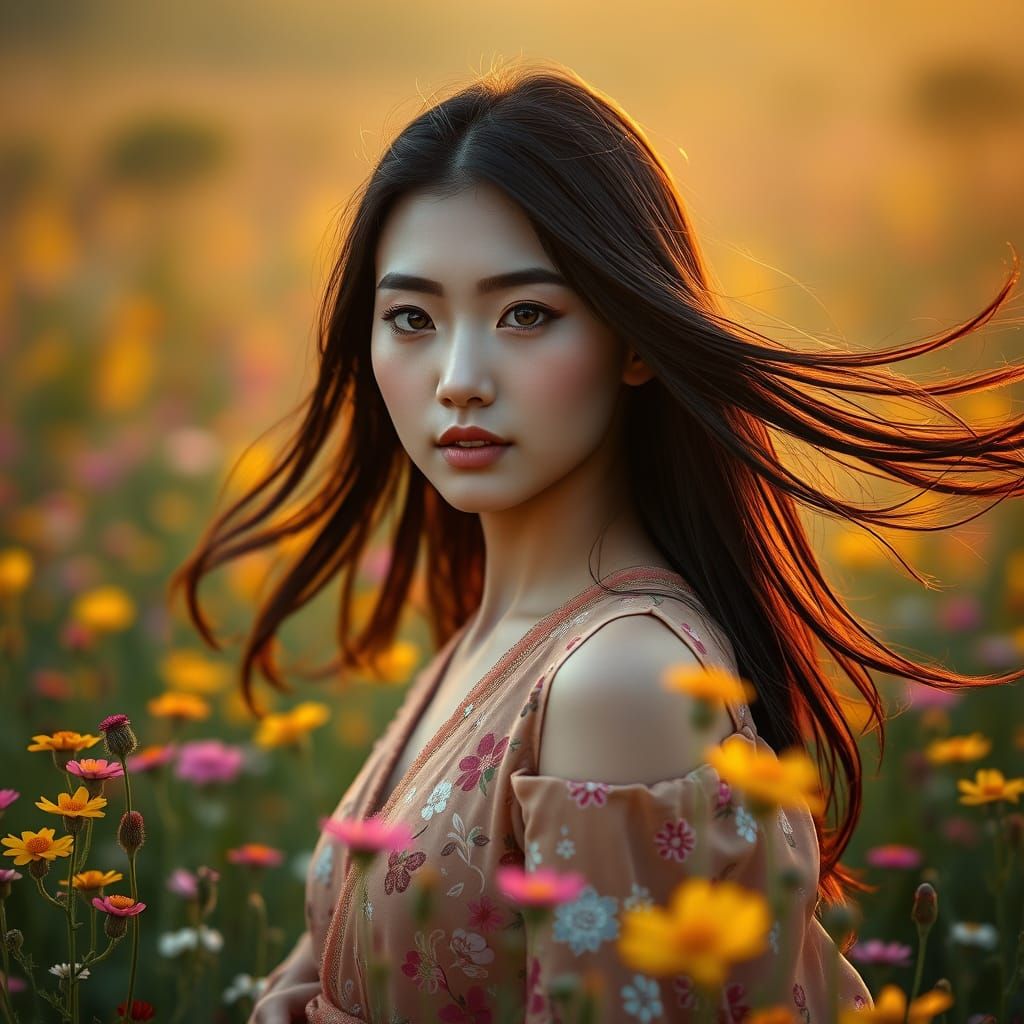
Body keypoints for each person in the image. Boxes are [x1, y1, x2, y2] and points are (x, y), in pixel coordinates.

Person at [170, 58, 1024, 1022]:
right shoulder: (504, 634)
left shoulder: (622, 685)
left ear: (631, 340)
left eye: (525, 314)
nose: (457, 377)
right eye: (410, 317)